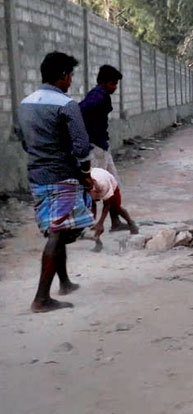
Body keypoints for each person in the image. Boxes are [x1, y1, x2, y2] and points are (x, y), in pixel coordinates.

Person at [18, 51, 94, 313]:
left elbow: (23, 140)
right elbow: (82, 145)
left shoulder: (25, 103)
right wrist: (85, 173)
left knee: (56, 229)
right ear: (62, 76)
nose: (71, 81)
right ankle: (41, 298)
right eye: (70, 75)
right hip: (62, 175)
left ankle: (64, 282)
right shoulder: (66, 104)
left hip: (36, 174)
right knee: (58, 231)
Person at [79, 64, 126, 231]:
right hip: (95, 148)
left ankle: (115, 221)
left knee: (113, 184)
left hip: (102, 147)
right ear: (105, 82)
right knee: (94, 188)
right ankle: (88, 226)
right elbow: (79, 112)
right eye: (113, 83)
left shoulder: (100, 95)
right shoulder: (97, 97)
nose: (115, 87)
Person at [88, 167, 139, 252]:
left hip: (110, 182)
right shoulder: (84, 187)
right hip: (95, 180)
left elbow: (107, 205)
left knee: (116, 208)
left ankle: (131, 224)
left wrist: (101, 222)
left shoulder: (104, 186)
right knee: (91, 218)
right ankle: (98, 243)